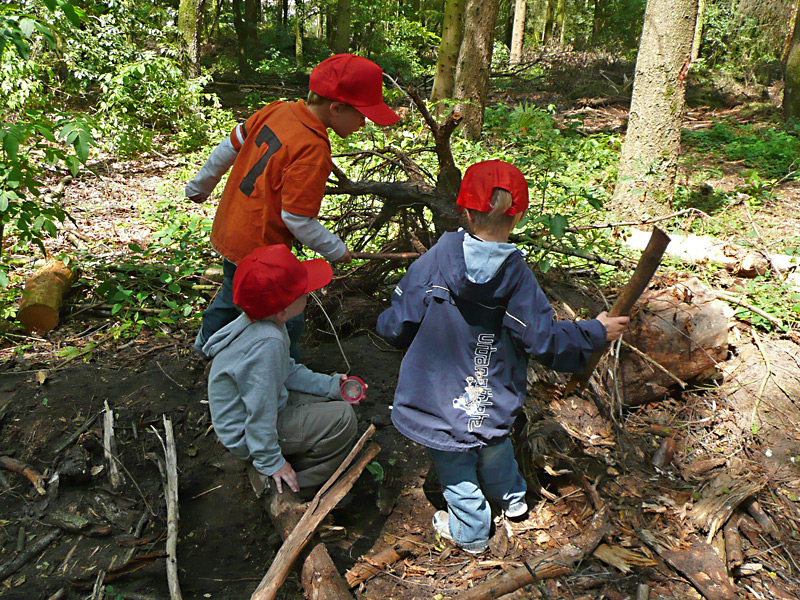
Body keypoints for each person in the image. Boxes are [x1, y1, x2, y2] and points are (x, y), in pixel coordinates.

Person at [376, 160, 629, 555]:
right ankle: (513, 500)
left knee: (455, 463)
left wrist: (389, 325)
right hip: (490, 396)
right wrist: (594, 332)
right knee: (494, 446)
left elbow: (398, 323)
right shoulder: (519, 278)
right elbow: (543, 340)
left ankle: (471, 530)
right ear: (520, 214)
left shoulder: (434, 262)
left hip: (438, 399)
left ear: (463, 210)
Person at [186, 54, 400, 360]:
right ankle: (282, 365)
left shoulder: (278, 110)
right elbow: (297, 219)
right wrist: (336, 250)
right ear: (336, 108)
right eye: (362, 115)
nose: (364, 123)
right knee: (287, 311)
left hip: (231, 226)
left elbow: (229, 145)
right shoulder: (312, 149)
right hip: (260, 245)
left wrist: (200, 185)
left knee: (233, 293)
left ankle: (206, 346)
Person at [203, 244, 363, 498]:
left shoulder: (261, 320)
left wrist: (331, 386)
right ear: (283, 310)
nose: (308, 294)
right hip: (244, 431)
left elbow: (286, 371)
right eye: (303, 292)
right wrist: (270, 460)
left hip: (255, 414)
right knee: (343, 419)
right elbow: (260, 408)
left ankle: (287, 459)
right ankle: (302, 484)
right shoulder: (268, 343)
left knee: (330, 399)